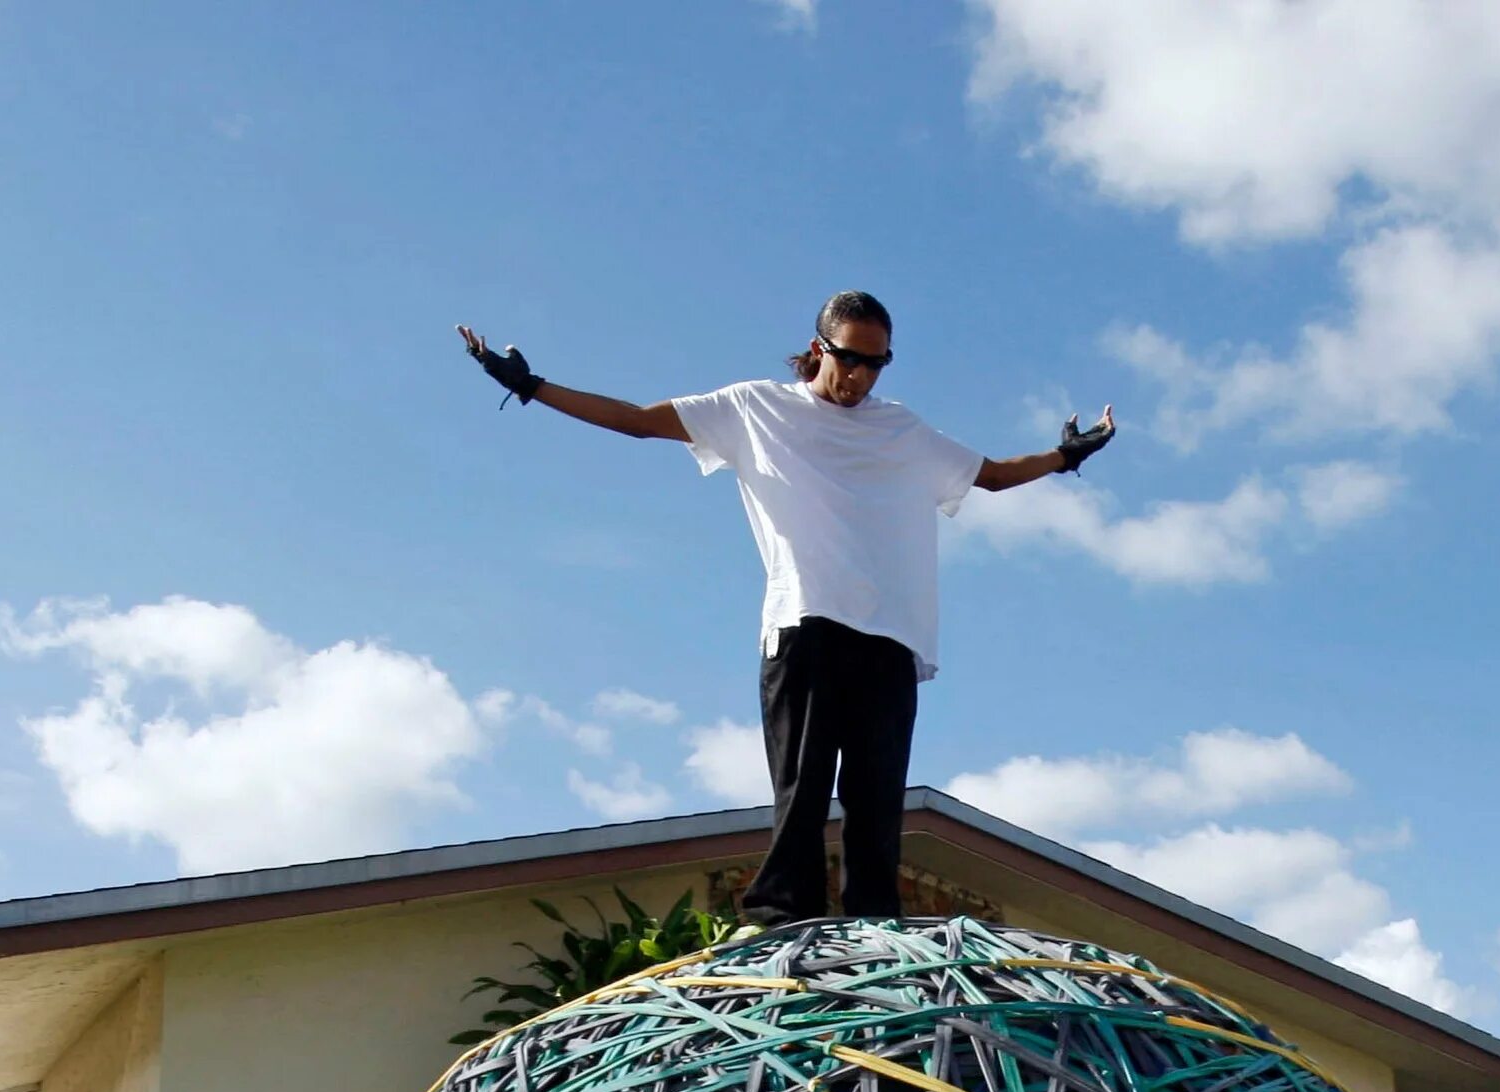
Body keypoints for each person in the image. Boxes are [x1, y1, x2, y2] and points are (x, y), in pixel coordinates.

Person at [456, 292, 1112, 925]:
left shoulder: (901, 429)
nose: (859, 375)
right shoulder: (755, 408)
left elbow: (991, 474)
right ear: (817, 348)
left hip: (891, 633)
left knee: (876, 799)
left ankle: (873, 927)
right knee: (802, 787)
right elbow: (637, 420)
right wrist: (532, 385)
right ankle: (779, 917)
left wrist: (1066, 456)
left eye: (876, 363)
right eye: (849, 358)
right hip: (806, 619)